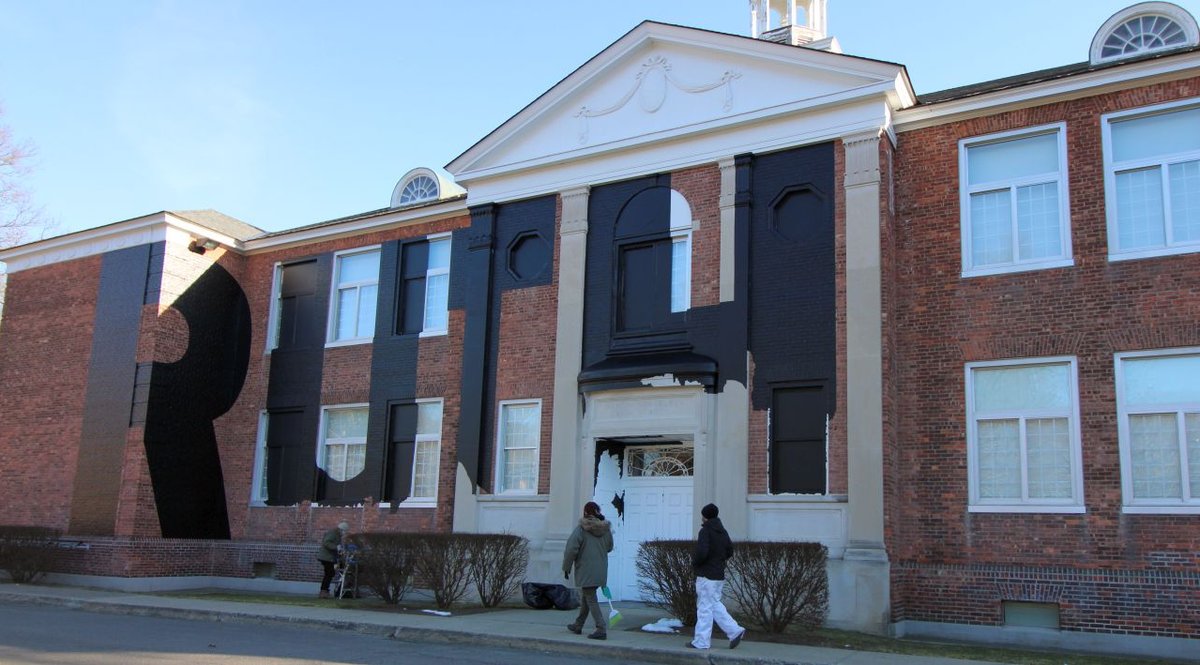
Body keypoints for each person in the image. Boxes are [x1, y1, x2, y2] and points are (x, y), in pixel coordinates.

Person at [688, 503, 746, 650]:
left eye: (702, 515)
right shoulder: (722, 531)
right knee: (714, 604)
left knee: (704, 608)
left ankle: (701, 642)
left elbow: (702, 552)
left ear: (705, 516)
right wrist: (718, 561)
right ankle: (734, 631)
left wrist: (695, 563)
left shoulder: (705, 531)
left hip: (706, 575)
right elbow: (729, 551)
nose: (701, 518)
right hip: (718, 574)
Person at [562, 501, 614, 640]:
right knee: (587, 596)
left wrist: (566, 567)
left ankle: (601, 628)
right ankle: (578, 624)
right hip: (601, 570)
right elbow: (609, 547)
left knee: (590, 598)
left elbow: (571, 550)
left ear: (585, 512)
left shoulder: (581, 529)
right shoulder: (606, 529)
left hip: (586, 569)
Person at [317, 521, 349, 599]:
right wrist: (336, 547)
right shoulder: (333, 533)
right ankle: (323, 591)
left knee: (329, 573)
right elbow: (326, 542)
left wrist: (339, 551)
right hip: (326, 557)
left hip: (329, 557)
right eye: (344, 531)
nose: (344, 533)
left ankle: (324, 591)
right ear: (341, 529)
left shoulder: (337, 534)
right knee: (329, 573)